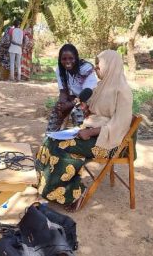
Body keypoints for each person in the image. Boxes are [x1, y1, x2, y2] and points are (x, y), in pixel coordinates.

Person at [36, 50, 133, 210]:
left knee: (63, 147)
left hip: (110, 143)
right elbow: (99, 112)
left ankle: (73, 195)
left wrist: (90, 132)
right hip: (93, 132)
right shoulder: (103, 86)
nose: (95, 69)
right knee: (50, 140)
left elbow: (119, 126)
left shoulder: (123, 92)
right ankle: (45, 186)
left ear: (111, 66)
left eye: (98, 65)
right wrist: (87, 110)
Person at [46, 44, 98, 132]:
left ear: (76, 58)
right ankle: (51, 138)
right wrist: (61, 104)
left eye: (71, 58)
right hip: (74, 98)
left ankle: (79, 141)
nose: (67, 62)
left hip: (89, 101)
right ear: (60, 59)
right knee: (57, 110)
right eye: (64, 59)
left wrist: (69, 105)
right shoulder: (60, 69)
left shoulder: (85, 69)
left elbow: (86, 94)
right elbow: (63, 91)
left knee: (77, 111)